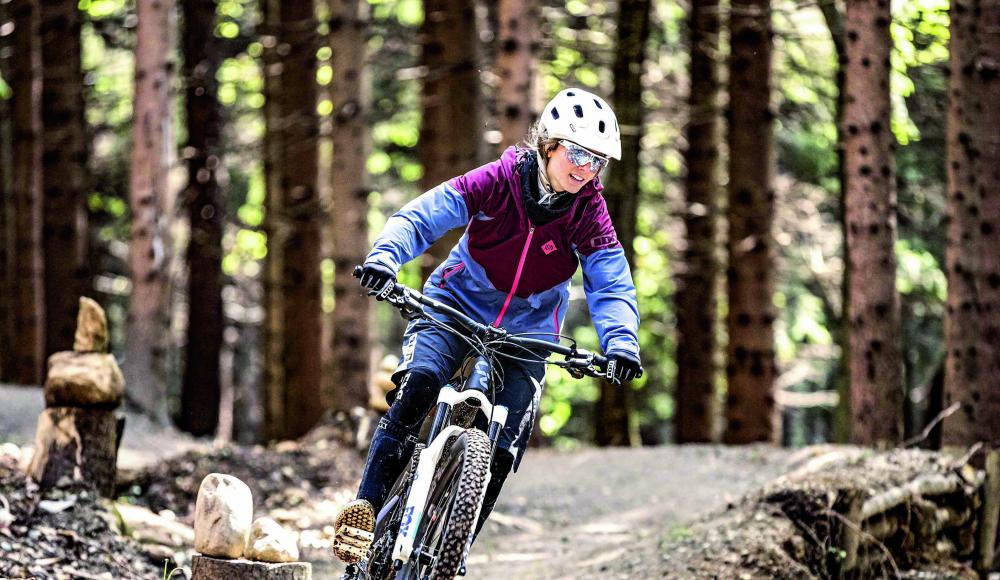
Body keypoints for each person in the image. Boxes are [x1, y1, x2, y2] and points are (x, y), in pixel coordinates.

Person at [332, 88, 643, 564]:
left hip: (531, 329)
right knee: (419, 384)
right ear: (550, 145)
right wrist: (384, 259)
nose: (585, 169)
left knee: (505, 443)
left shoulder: (589, 212)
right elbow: (422, 217)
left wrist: (621, 343)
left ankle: (449, 559)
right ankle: (366, 512)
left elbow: (611, 282)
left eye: (597, 161)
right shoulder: (499, 180)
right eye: (578, 153)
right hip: (455, 303)